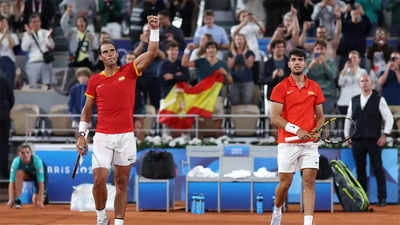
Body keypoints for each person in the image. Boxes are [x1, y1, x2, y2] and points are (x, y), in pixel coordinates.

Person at [76, 15, 159, 225]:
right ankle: (101, 216)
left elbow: (152, 52)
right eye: (105, 52)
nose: (110, 54)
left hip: (125, 136)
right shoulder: (95, 80)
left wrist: (154, 30)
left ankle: (120, 222)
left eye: (112, 50)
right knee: (99, 180)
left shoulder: (130, 71)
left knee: (122, 182)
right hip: (103, 137)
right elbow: (87, 110)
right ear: (101, 57)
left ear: (116, 54)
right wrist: (82, 136)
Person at [269, 48, 325, 225]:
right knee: (285, 184)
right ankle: (277, 210)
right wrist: (296, 130)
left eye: (300, 59)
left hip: (309, 144)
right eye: (293, 59)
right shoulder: (280, 88)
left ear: (305, 63)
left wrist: (317, 130)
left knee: (309, 181)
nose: (297, 62)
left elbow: (321, 116)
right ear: (289, 64)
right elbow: (275, 118)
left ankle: (308, 222)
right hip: (287, 143)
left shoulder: (314, 87)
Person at [345, 74, 393, 207]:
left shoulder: (379, 99)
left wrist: (385, 135)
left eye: (367, 81)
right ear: (359, 84)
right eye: (362, 81)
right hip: (357, 140)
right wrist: (346, 135)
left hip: (374, 140)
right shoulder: (353, 99)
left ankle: (382, 198)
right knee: (360, 170)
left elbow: (389, 118)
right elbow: (348, 119)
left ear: (371, 83)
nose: (364, 83)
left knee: (378, 169)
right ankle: (362, 199)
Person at [182, 41, 233, 138]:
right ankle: (199, 143)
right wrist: (187, 50)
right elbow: (184, 64)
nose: (211, 50)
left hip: (217, 97)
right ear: (206, 50)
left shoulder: (222, 64)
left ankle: (220, 144)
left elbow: (230, 81)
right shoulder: (200, 61)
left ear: (216, 50)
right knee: (201, 123)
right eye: (209, 48)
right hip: (202, 97)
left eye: (213, 48)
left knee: (218, 123)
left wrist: (225, 74)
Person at [7, 144, 48, 209]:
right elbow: (11, 182)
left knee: (36, 201)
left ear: (31, 153)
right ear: (19, 154)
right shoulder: (16, 162)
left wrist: (40, 201)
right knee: (19, 173)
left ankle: (45, 196)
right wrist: (11, 199)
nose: (25, 155)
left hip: (38, 176)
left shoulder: (37, 161)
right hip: (27, 175)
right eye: (22, 153)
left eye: (27, 152)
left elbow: (41, 182)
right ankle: (18, 200)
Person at [21, 13, 54, 89]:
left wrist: (48, 38)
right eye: (34, 22)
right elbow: (24, 48)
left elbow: (52, 46)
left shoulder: (45, 32)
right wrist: (29, 36)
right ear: (30, 24)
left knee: (47, 86)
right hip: (33, 63)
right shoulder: (26, 34)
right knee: (33, 87)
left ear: (40, 22)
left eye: (38, 21)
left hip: (46, 62)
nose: (36, 23)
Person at [60, 4, 98, 69]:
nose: (80, 24)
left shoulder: (91, 34)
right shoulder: (72, 33)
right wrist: (67, 13)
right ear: (76, 24)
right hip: (74, 60)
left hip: (88, 61)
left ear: (86, 23)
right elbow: (63, 24)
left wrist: (92, 41)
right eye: (79, 22)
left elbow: (96, 47)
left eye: (82, 22)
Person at [306, 40, 338, 114]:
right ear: (314, 50)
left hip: (327, 94)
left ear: (325, 50)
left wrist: (325, 64)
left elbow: (333, 77)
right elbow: (302, 78)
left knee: (325, 120)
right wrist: (311, 66)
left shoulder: (331, 62)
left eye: (322, 49)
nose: (320, 51)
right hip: (311, 94)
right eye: (317, 49)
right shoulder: (308, 62)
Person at [227, 33, 255, 105]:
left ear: (244, 41)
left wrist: (243, 55)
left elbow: (249, 65)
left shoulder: (250, 53)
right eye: (237, 39)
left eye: (241, 39)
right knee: (234, 102)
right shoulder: (230, 53)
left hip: (247, 81)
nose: (239, 41)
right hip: (234, 81)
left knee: (247, 102)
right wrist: (235, 55)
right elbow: (229, 66)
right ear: (234, 42)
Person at [337, 50, 368, 115]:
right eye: (350, 58)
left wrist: (354, 70)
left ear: (359, 59)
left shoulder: (363, 71)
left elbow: (364, 85)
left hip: (357, 102)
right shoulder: (344, 71)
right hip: (344, 101)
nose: (352, 60)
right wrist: (345, 69)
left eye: (354, 57)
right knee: (344, 123)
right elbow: (340, 83)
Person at [124, 51, 145, 142]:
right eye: (129, 59)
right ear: (125, 60)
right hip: (124, 105)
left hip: (138, 104)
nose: (131, 61)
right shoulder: (120, 72)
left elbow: (144, 87)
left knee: (139, 126)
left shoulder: (141, 72)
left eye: (133, 59)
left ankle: (141, 147)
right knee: (125, 129)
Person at [378, 51, 400, 133]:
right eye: (393, 58)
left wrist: (397, 70)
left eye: (397, 58)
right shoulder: (384, 71)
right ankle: (387, 140)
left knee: (399, 121)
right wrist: (387, 68)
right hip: (385, 102)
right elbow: (380, 82)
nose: (394, 60)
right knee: (386, 123)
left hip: (398, 102)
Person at [0, 75, 14, 179]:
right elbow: (11, 99)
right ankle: (4, 173)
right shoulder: (5, 81)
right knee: (4, 145)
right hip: (4, 117)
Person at [0, 16, 19, 89]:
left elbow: (12, 46)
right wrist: (3, 35)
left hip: (10, 60)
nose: (4, 24)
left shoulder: (13, 35)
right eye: (2, 22)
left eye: (5, 23)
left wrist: (7, 34)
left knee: (9, 83)